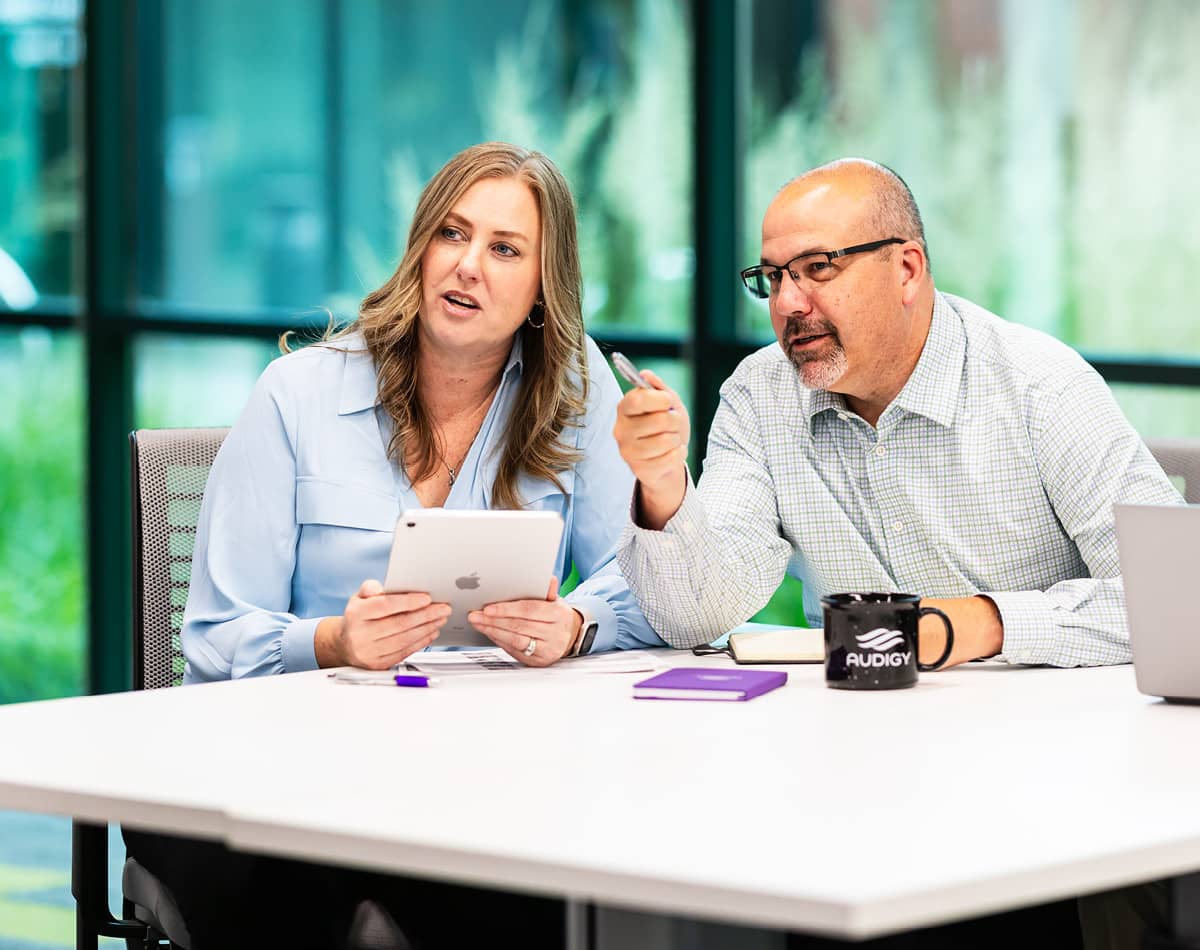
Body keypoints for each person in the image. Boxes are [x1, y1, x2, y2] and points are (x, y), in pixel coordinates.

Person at [612, 158, 1180, 949]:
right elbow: (695, 612)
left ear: (906, 267)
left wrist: (977, 626)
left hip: (1051, 797)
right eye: (771, 277)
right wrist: (664, 487)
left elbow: (1175, 608)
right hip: (851, 793)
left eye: (817, 269)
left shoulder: (1039, 387)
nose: (788, 305)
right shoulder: (758, 394)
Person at [124, 141, 664, 949]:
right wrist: (332, 640)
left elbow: (646, 581)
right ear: (420, 251)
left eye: (505, 248)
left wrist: (578, 622)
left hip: (480, 772)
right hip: (279, 766)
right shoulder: (297, 395)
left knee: (573, 873)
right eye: (452, 234)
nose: (469, 265)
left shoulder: (573, 390)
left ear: (543, 294)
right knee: (331, 890)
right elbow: (209, 638)